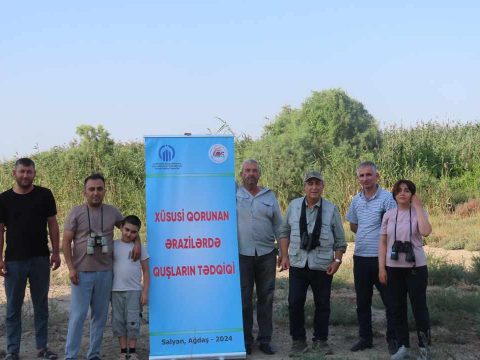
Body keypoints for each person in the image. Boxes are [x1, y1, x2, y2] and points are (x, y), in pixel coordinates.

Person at [63, 173, 140, 360]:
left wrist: (137, 242)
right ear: (85, 192)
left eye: (99, 189)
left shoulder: (112, 212)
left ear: (104, 190)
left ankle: (94, 355)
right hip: (81, 273)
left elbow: (129, 228)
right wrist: (71, 269)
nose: (95, 193)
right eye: (91, 189)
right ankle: (70, 355)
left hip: (106, 273)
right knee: (78, 317)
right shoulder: (76, 213)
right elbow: (66, 243)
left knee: (100, 317)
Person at [278, 171, 346, 356]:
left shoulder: (331, 209)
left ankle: (321, 341)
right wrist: (284, 256)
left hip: (322, 265)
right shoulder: (293, 206)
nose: (314, 187)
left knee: (322, 304)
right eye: (310, 183)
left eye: (317, 183)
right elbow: (284, 232)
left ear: (323, 186)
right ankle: (298, 341)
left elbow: (340, 240)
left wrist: (337, 261)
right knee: (294, 303)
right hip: (298, 264)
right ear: (304, 187)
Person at [0, 157, 60, 360]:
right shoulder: (4, 199)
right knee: (12, 308)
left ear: (34, 173)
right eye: (22, 171)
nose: (25, 175)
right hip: (14, 261)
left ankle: (42, 348)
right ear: (14, 174)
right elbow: (0, 231)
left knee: (41, 305)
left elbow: (53, 224)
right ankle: (12, 350)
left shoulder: (44, 195)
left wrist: (56, 251)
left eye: (29, 172)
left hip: (40, 259)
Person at [346, 161, 398, 354]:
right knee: (363, 302)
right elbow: (353, 226)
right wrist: (368, 236)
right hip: (360, 257)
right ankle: (365, 338)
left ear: (377, 176)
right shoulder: (356, 200)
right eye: (361, 175)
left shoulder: (387, 198)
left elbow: (394, 226)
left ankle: (393, 339)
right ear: (358, 178)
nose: (365, 179)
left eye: (369, 175)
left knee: (390, 301)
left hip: (382, 259)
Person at [379, 180, 432, 360]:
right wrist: (381, 269)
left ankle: (425, 347)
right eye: (399, 190)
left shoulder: (419, 212)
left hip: (415, 267)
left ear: (412, 194)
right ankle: (403, 346)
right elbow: (383, 243)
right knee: (397, 308)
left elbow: (426, 232)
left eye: (407, 190)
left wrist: (417, 207)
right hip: (393, 268)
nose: (402, 193)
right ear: (394, 194)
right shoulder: (388, 215)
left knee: (419, 308)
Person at [236, 159, 283, 355]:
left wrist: (284, 253)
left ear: (259, 174)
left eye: (254, 171)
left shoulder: (269, 196)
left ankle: (265, 340)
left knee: (266, 298)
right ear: (241, 174)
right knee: (244, 300)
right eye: (247, 170)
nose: (251, 174)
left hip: (266, 255)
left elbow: (279, 226)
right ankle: (246, 341)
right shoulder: (233, 194)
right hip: (242, 255)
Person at [112, 215, 150, 360]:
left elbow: (146, 271)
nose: (129, 234)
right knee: (118, 320)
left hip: (134, 290)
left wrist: (145, 292)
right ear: (121, 227)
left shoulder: (140, 248)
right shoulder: (113, 245)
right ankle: (123, 351)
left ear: (138, 233)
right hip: (115, 290)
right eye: (126, 229)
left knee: (133, 320)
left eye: (133, 232)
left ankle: (132, 350)